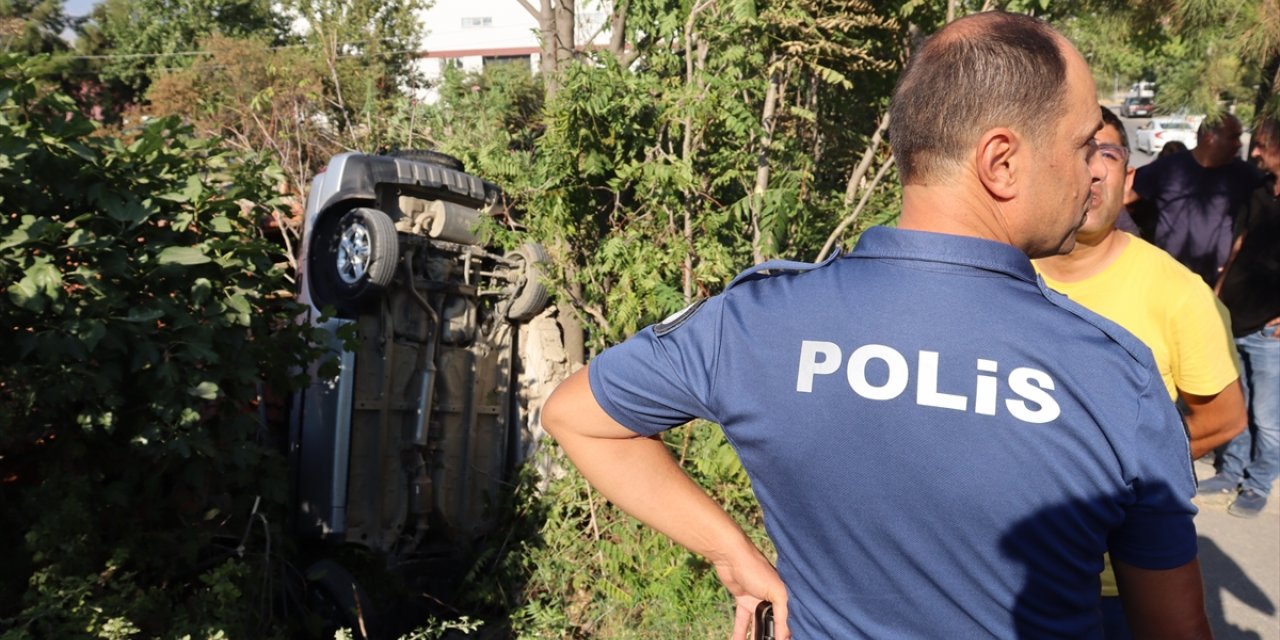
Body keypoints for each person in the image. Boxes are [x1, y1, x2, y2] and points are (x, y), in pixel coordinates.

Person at [543, 12, 1211, 639]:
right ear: (1001, 162)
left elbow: (578, 415)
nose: (1094, 175)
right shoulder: (1115, 375)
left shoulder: (757, 320)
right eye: (1079, 145)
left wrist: (730, 551)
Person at [1034, 105, 1245, 637]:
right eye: (1078, 153)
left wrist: (1118, 477)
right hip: (1006, 570)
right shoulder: (997, 273)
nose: (1093, 170)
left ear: (1129, 178)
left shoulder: (1178, 294)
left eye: (1106, 154)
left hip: (1120, 583)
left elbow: (1223, 420)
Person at [1200, 116, 1280, 517]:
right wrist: (1219, 292)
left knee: (1268, 417)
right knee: (1236, 405)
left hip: (1271, 331)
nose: (1256, 152)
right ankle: (1230, 471)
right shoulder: (1260, 191)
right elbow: (1240, 244)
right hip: (1234, 317)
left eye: (1264, 145)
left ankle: (1258, 482)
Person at [1129, 113, 1263, 285]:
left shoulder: (1244, 174)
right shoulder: (1167, 169)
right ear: (1209, 138)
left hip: (1216, 281)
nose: (1239, 144)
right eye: (1233, 137)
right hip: (1168, 277)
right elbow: (1125, 201)